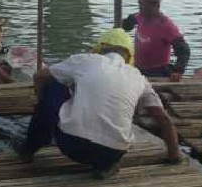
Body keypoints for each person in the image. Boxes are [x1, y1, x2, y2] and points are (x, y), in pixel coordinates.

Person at [14, 28, 180, 179]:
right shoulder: (139, 78)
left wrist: (41, 105)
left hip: (71, 144)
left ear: (100, 48)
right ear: (128, 56)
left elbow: (40, 76)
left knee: (53, 82)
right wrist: (174, 156)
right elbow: (164, 119)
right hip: (112, 152)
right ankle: (106, 166)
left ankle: (29, 149)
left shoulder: (85, 60)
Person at [122, 0, 190, 81]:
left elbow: (183, 50)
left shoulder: (166, 25)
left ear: (157, 4)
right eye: (140, 4)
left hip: (159, 72)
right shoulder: (139, 17)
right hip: (138, 69)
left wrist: (178, 70)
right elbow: (126, 25)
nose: (141, 7)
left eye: (151, 4)